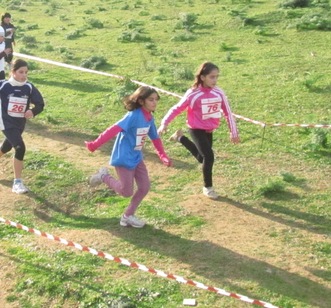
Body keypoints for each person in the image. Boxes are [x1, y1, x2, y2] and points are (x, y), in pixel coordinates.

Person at [86, 86, 171, 228]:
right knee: (126, 192)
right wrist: (95, 144)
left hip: (136, 157)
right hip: (124, 158)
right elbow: (113, 129)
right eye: (151, 99)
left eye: (156, 99)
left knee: (144, 187)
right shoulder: (133, 116)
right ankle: (103, 176)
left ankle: (127, 217)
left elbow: (155, 137)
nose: (155, 103)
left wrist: (163, 155)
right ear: (141, 101)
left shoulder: (149, 117)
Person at [157, 61, 239, 199]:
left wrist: (234, 132)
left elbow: (228, 113)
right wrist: (164, 123)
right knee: (209, 157)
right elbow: (177, 108)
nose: (215, 80)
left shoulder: (219, 93)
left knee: (203, 159)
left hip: (209, 130)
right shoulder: (193, 93)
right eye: (212, 77)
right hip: (196, 129)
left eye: (217, 76)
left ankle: (180, 138)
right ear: (203, 77)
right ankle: (208, 187)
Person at [0, 59, 45, 194]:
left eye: (26, 72)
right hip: (6, 121)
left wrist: (33, 111)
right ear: (13, 72)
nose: (24, 75)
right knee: (20, 147)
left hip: (19, 122)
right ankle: (17, 183)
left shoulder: (29, 87)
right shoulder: (4, 85)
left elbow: (40, 104)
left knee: (8, 145)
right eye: (20, 72)